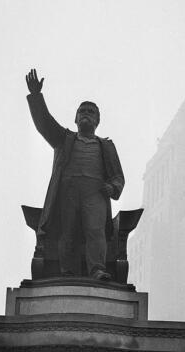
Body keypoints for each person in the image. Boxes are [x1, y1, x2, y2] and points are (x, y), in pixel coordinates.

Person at [25, 68, 125, 281]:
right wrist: (36, 97)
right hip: (68, 191)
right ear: (76, 118)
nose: (86, 114)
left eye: (91, 111)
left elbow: (117, 176)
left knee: (95, 231)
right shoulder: (64, 139)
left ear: (97, 120)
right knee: (67, 231)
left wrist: (113, 188)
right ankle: (67, 272)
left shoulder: (106, 146)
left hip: (95, 193)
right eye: (82, 111)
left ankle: (97, 269)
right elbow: (45, 123)